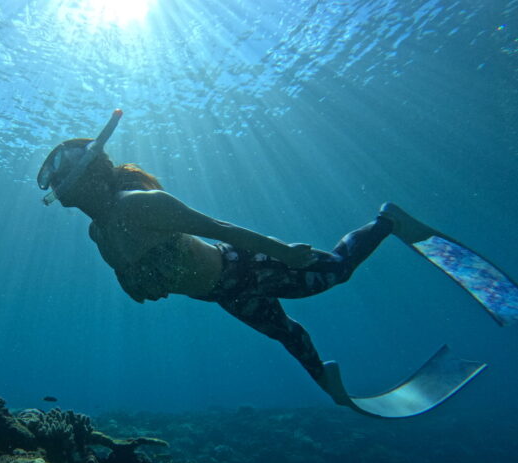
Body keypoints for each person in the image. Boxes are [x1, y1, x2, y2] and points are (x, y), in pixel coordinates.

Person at [36, 110, 459, 403]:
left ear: (92, 175)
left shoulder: (140, 205)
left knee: (336, 273)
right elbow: (126, 276)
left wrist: (282, 252)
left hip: (245, 267)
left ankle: (387, 221)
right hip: (224, 293)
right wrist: (136, 284)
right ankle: (326, 380)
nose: (60, 188)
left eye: (64, 178)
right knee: (284, 333)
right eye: (57, 184)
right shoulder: (99, 232)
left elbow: (219, 229)